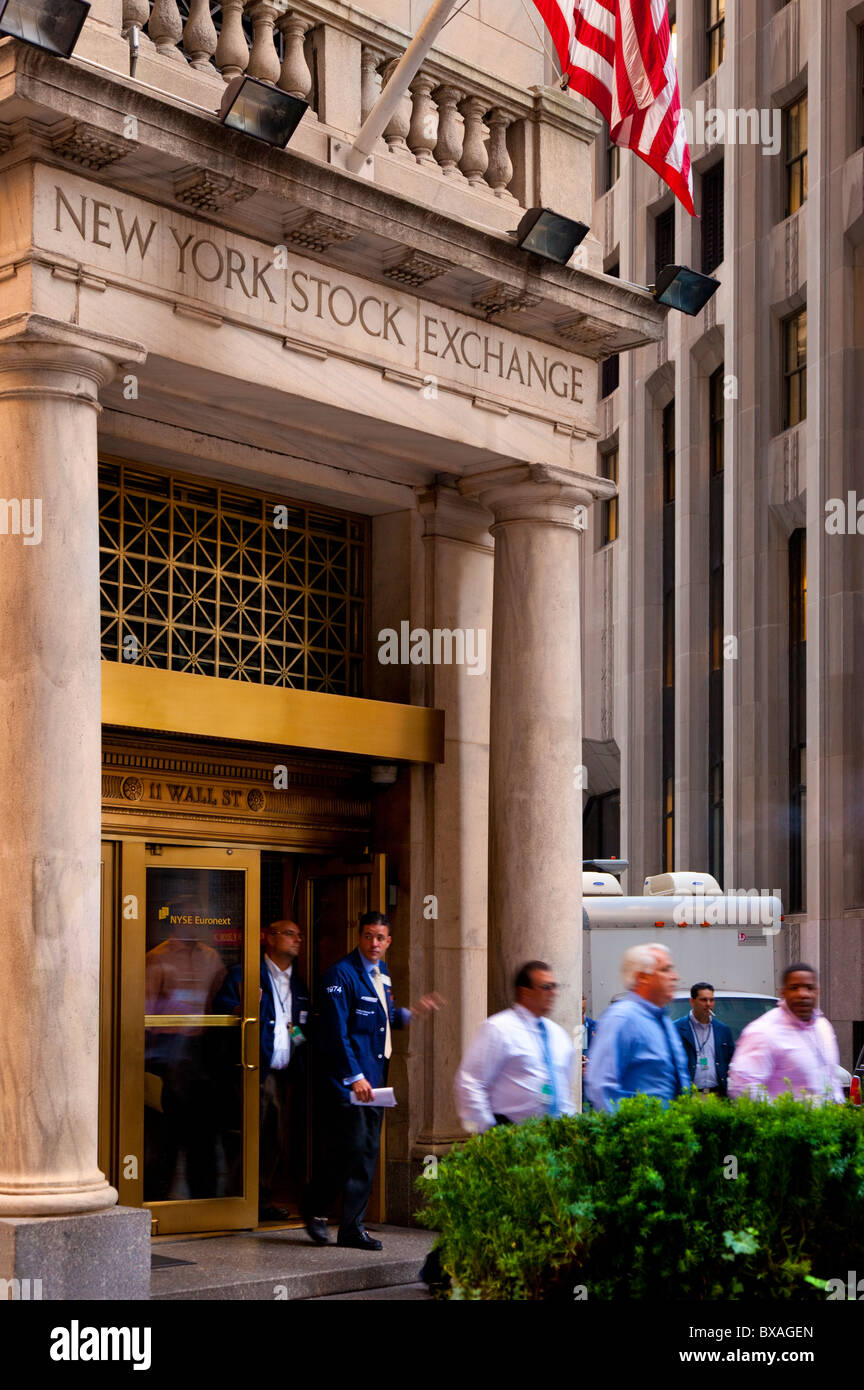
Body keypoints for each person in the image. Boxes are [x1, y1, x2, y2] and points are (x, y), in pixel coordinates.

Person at [303, 911, 442, 1250]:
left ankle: (351, 1227)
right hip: (349, 1083)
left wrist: (410, 1014)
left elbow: (380, 1017)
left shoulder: (382, 974)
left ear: (388, 941)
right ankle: (316, 1209)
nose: (374, 943)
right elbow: (337, 1032)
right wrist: (355, 1077)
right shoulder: (341, 974)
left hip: (375, 1082)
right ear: (359, 937)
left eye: (380, 937)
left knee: (364, 1152)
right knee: (346, 1151)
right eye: (368, 936)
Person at [215, 919, 311, 1221]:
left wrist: (298, 1043)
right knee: (249, 1138)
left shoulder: (297, 983)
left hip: (284, 1074)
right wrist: (240, 1008)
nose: (297, 940)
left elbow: (297, 1026)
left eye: (299, 935)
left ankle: (261, 1200)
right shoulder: (245, 974)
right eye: (289, 934)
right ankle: (235, 1202)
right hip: (254, 1071)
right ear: (268, 938)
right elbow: (220, 1013)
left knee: (275, 1141)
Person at [454, 961, 576, 1133]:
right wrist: (490, 1129)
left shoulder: (558, 1035)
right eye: (546, 987)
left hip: (553, 1136)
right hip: (511, 1134)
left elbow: (565, 1088)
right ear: (525, 992)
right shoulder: (499, 1028)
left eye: (555, 987)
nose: (553, 993)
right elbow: (471, 1081)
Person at [585, 943, 690, 1112]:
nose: (675, 976)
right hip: (639, 1134)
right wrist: (627, 1133)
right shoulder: (622, 1019)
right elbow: (601, 1086)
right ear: (643, 977)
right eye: (665, 970)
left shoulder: (663, 1020)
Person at [727, 962, 843, 1104]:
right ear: (783, 992)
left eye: (809, 988)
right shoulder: (763, 1031)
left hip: (828, 1123)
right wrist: (782, 1119)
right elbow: (743, 1087)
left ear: (817, 991)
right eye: (794, 988)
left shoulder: (823, 1026)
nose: (803, 994)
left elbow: (831, 1078)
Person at [673, 981, 735, 1096]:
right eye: (703, 1000)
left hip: (717, 1095)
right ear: (692, 1001)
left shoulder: (722, 1030)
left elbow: (731, 1060)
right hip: (689, 1096)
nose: (708, 1004)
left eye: (711, 1000)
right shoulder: (677, 1028)